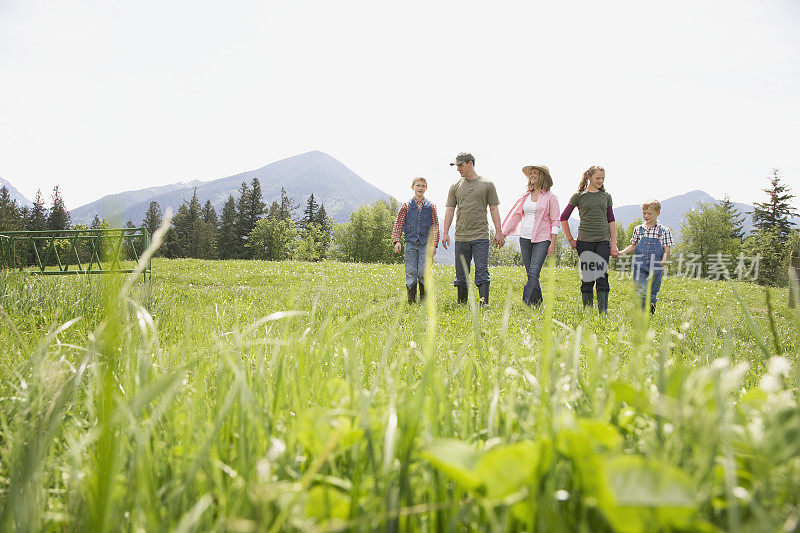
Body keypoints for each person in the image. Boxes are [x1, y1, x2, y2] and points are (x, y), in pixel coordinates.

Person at [442, 152, 504, 306]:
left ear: (470, 163)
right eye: (456, 166)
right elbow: (449, 210)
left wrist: (498, 231)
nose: (458, 169)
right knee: (461, 272)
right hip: (461, 236)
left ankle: (484, 304)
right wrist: (445, 233)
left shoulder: (487, 184)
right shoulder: (455, 187)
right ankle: (462, 303)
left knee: (482, 270)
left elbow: (494, 209)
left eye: (460, 165)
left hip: (481, 235)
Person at [560, 165, 619, 313]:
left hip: (603, 241)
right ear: (589, 177)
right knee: (587, 276)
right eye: (598, 178)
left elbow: (611, 220)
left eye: (603, 178)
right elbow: (563, 217)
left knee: (602, 275)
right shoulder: (579, 196)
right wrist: (570, 239)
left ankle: (602, 313)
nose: (600, 181)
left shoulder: (606, 196)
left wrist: (614, 244)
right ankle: (588, 313)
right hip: (584, 241)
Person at [499, 164, 560, 306]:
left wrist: (552, 243)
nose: (532, 175)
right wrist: (504, 233)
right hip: (525, 238)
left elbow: (555, 221)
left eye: (535, 173)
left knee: (534, 272)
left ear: (542, 177)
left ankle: (526, 304)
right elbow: (516, 215)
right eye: (530, 173)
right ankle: (538, 303)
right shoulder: (525, 196)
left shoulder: (551, 197)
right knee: (530, 273)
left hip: (543, 239)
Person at [618, 199, 674, 314]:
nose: (646, 216)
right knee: (639, 289)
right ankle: (639, 313)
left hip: (656, 265)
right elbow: (634, 245)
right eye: (644, 213)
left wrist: (663, 262)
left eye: (649, 213)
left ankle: (650, 313)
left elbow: (667, 249)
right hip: (640, 264)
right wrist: (621, 253)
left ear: (658, 213)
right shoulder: (639, 229)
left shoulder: (664, 231)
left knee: (652, 290)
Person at [392, 177, 440, 303]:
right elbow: (398, 223)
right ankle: (411, 300)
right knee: (411, 271)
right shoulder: (406, 206)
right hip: (410, 243)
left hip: (425, 244)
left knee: (423, 272)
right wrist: (397, 241)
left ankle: (424, 301)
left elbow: (435, 227)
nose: (420, 188)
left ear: (426, 188)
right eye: (418, 185)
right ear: (412, 187)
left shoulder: (431, 207)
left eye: (423, 186)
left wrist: (434, 245)